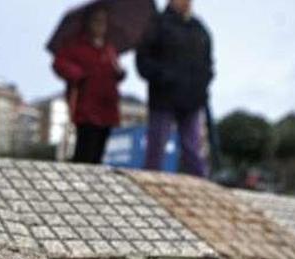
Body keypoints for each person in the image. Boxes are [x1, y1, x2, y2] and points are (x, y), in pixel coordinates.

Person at [137, 0, 214, 176]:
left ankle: (200, 189)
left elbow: (208, 64)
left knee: (193, 150)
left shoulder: (199, 29)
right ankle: (150, 186)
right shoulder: (156, 24)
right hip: (163, 99)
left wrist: (203, 86)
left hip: (192, 100)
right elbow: (142, 61)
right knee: (156, 151)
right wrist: (163, 76)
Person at [52, 7, 125, 164]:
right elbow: (59, 63)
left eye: (104, 22)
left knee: (99, 151)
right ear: (88, 23)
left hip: (107, 107)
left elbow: (113, 70)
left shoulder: (109, 48)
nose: (100, 26)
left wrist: (119, 73)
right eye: (96, 21)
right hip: (86, 106)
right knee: (85, 150)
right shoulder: (75, 45)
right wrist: (77, 74)